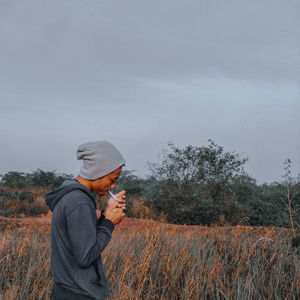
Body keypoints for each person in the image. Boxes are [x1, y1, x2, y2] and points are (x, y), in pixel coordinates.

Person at [46, 141, 126, 300]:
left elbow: (81, 238)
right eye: (112, 179)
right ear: (97, 172)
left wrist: (104, 216)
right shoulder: (80, 202)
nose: (113, 185)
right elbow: (85, 256)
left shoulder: (71, 195)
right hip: (78, 294)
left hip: (65, 291)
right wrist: (109, 224)